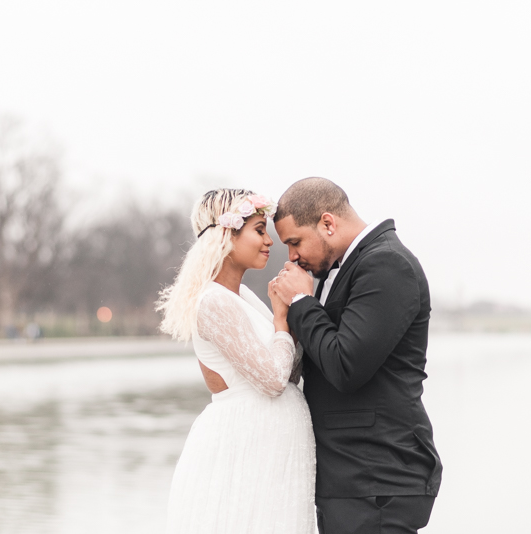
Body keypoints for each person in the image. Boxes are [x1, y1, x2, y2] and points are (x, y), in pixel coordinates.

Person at [271, 177, 442, 534]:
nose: (292, 256)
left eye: (295, 242)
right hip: (354, 480)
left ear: (328, 223)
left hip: (378, 478)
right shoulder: (346, 267)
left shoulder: (387, 265)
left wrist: (303, 302)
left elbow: (346, 365)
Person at [157, 189, 317, 534]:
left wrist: (299, 310)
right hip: (244, 443)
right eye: (259, 230)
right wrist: (279, 321)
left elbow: (288, 371)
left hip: (269, 448)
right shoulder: (213, 302)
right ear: (227, 235)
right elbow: (273, 379)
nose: (269, 241)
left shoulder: (241, 296)